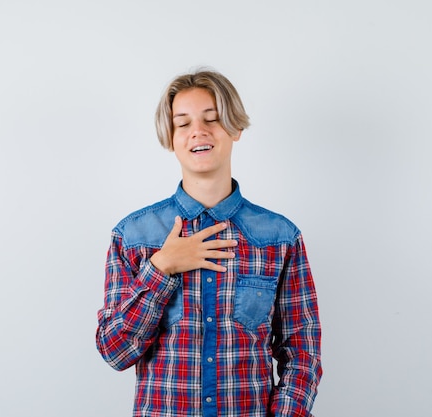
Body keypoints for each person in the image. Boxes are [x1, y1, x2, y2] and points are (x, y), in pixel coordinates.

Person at [96, 68, 322, 417]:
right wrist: (162, 267)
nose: (197, 131)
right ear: (170, 137)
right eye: (182, 123)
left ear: (235, 128)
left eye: (212, 119)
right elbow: (115, 351)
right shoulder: (133, 237)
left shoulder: (279, 237)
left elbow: (302, 351)